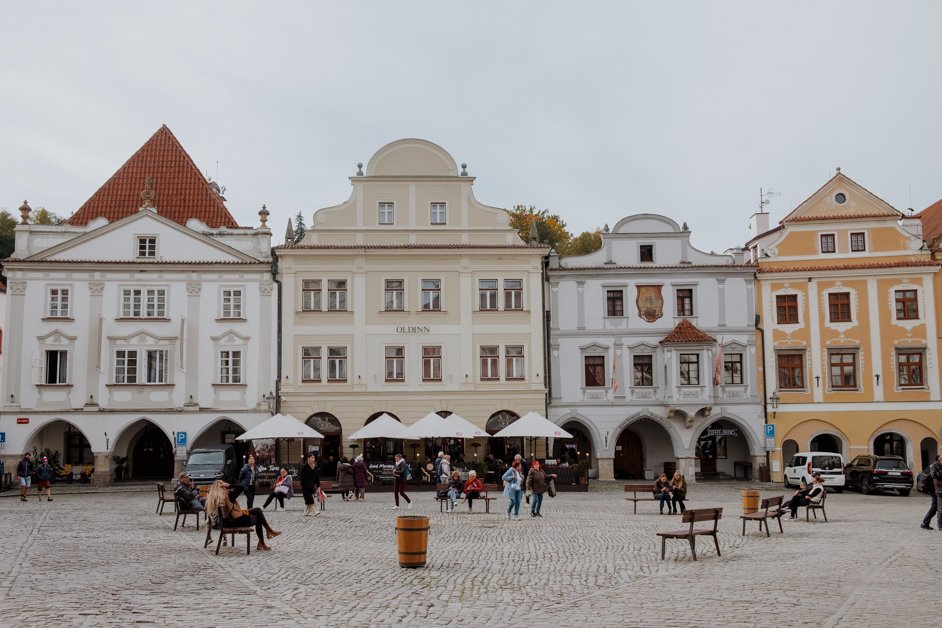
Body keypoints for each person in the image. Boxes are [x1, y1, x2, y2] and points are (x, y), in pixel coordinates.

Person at [205, 480, 280, 551]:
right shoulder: (229, 496)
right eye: (223, 485)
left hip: (227, 521)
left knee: (257, 510)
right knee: (258, 518)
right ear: (222, 487)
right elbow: (241, 487)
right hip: (236, 520)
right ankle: (265, 538)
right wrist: (229, 485)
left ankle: (267, 534)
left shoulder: (214, 499)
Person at [920, 454, 942, 530]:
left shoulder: (937, 465)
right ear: (939, 459)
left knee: (935, 507)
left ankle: (925, 523)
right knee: (936, 507)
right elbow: (935, 476)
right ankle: (926, 523)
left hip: (936, 489)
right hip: (934, 489)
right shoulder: (934, 466)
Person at [299, 452, 321, 516]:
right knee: (310, 499)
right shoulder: (304, 466)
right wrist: (303, 484)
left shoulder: (315, 466)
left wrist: (318, 486)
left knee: (308, 500)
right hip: (305, 486)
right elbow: (301, 477)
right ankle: (315, 511)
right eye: (312, 457)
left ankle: (305, 513)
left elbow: (317, 477)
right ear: (308, 458)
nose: (313, 459)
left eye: (314, 457)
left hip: (312, 486)